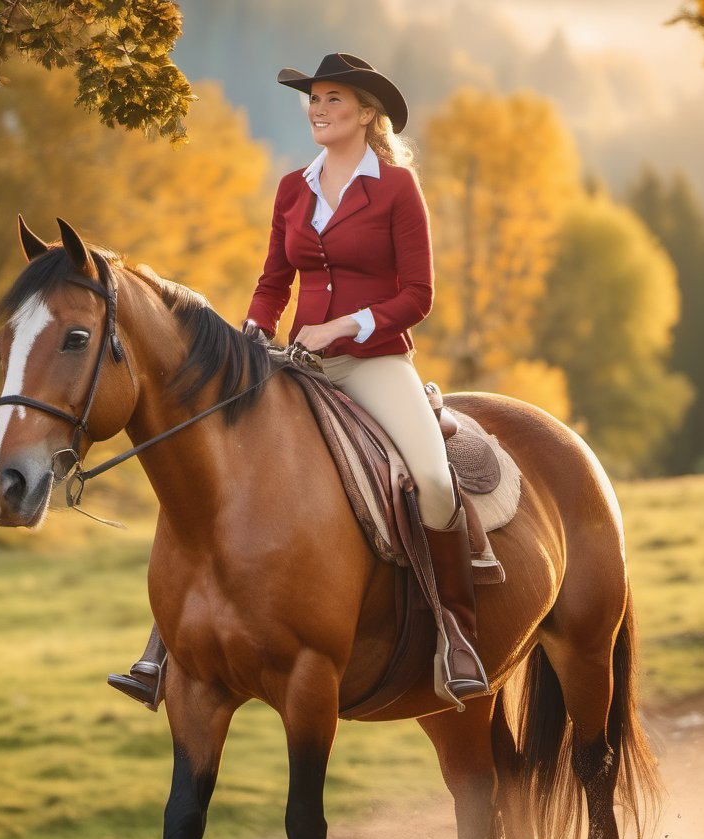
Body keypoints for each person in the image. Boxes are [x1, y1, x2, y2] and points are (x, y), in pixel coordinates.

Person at [108, 53, 490, 711]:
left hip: (375, 364)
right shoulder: (294, 187)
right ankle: (162, 648)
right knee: (214, 472)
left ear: (367, 113)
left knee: (430, 477)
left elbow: (418, 294)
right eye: (313, 99)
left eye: (333, 99)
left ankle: (457, 630)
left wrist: (344, 326)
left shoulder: (397, 188)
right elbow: (273, 280)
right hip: (293, 362)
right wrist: (255, 329)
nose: (317, 108)